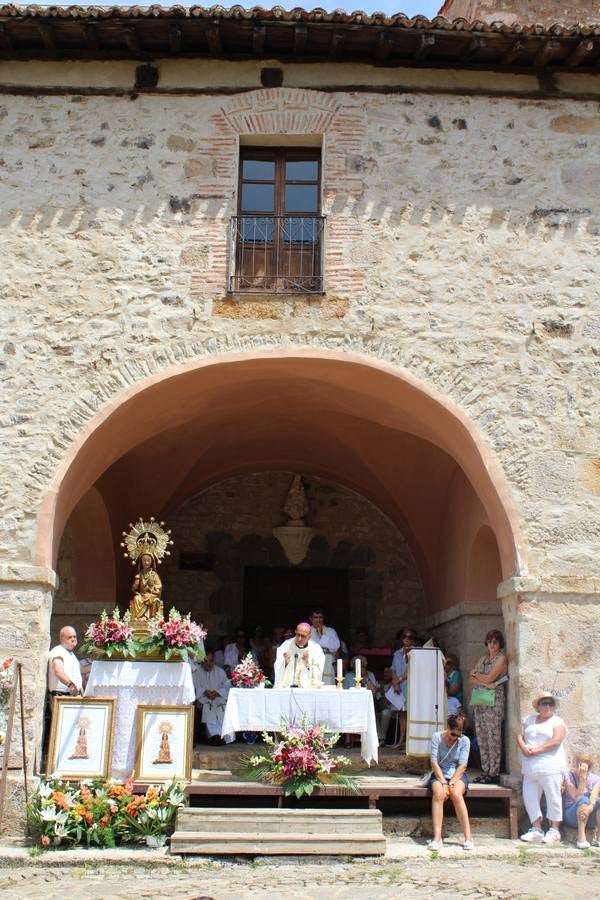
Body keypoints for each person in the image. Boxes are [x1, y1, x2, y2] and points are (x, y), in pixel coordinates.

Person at [518, 692, 568, 844]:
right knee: (529, 796)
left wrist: (537, 750)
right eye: (544, 703)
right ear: (538, 706)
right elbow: (519, 735)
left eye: (550, 703)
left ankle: (554, 830)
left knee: (553, 796)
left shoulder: (557, 721)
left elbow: (557, 740)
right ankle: (536, 828)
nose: (547, 706)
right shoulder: (529, 719)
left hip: (550, 765)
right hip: (530, 766)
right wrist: (524, 748)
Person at [427, 713, 474, 851]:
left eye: (459, 735)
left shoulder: (464, 741)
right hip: (440, 773)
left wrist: (451, 782)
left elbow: (462, 765)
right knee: (439, 794)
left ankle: (468, 837)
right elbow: (434, 763)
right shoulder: (437, 737)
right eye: (453, 734)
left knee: (456, 794)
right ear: (448, 728)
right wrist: (443, 782)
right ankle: (437, 837)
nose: (455, 738)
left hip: (457, 774)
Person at [470, 629, 508, 783]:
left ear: (500, 644)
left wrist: (478, 676)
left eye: (495, 642)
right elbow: (470, 678)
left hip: (494, 701)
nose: (492, 645)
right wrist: (485, 682)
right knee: (482, 736)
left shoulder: (501, 659)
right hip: (481, 701)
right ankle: (485, 770)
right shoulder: (483, 659)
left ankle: (494, 772)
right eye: (490, 641)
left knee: (493, 736)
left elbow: (490, 676)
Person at [343, 655, 388, 746]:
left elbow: (374, 691)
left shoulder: (370, 674)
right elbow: (345, 692)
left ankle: (378, 738)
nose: (359, 668)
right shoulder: (348, 676)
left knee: (372, 709)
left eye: (362, 666)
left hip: (369, 702)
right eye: (357, 666)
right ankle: (348, 739)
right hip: (352, 703)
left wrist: (365, 678)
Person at [192, 650, 234, 745]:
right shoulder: (196, 672)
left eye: (211, 661)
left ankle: (224, 736)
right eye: (206, 661)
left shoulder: (220, 672)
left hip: (218, 700)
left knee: (221, 709)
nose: (209, 664)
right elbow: (193, 687)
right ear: (202, 661)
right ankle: (214, 736)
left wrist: (218, 692)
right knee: (208, 708)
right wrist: (204, 691)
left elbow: (228, 686)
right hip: (204, 701)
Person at [562, 752, 600, 849]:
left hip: (589, 814)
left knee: (598, 801)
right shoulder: (568, 777)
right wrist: (582, 779)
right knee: (583, 799)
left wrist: (588, 809)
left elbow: (594, 798)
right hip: (572, 815)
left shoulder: (596, 779)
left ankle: (599, 837)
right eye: (579, 763)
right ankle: (581, 838)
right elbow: (576, 797)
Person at [388, 627, 418, 749]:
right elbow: (393, 669)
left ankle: (410, 740)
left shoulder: (416, 653)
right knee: (401, 714)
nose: (407, 639)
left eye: (410, 637)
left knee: (411, 713)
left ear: (414, 640)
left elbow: (413, 670)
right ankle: (401, 739)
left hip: (410, 686)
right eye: (404, 636)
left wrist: (398, 680)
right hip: (399, 686)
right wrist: (395, 683)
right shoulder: (397, 653)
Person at [274, 621, 325, 688]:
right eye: (298, 634)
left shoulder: (316, 649)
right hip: (288, 687)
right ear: (295, 632)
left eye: (303, 636)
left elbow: (318, 673)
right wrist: (286, 662)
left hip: (307, 688)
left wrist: (307, 663)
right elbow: (278, 667)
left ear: (309, 637)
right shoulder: (286, 646)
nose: (299, 638)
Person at [47, 626, 83, 697]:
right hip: (62, 697)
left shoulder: (71, 653)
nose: (73, 639)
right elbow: (58, 671)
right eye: (70, 637)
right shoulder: (58, 651)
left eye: (74, 637)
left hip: (71, 696)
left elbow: (82, 669)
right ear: (62, 638)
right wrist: (70, 685)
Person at [309, 609, 340, 685]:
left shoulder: (330, 631)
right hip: (311, 667)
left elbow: (336, 646)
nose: (318, 620)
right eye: (315, 617)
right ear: (311, 619)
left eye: (320, 617)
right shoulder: (306, 631)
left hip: (328, 667)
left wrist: (321, 635)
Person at [130, 551, 163, 621]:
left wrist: (150, 589)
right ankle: (139, 618)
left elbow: (159, 587)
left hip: (152, 595)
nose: (146, 562)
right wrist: (135, 585)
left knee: (153, 599)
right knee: (136, 598)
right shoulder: (140, 575)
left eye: (148, 560)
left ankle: (151, 619)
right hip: (142, 595)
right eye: (144, 560)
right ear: (141, 562)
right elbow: (134, 589)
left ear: (152, 562)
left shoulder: (154, 575)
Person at [444, 652, 463, 717]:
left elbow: (452, 692)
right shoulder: (445, 674)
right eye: (444, 662)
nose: (445, 665)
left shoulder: (456, 674)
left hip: (455, 704)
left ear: (454, 665)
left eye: (448, 663)